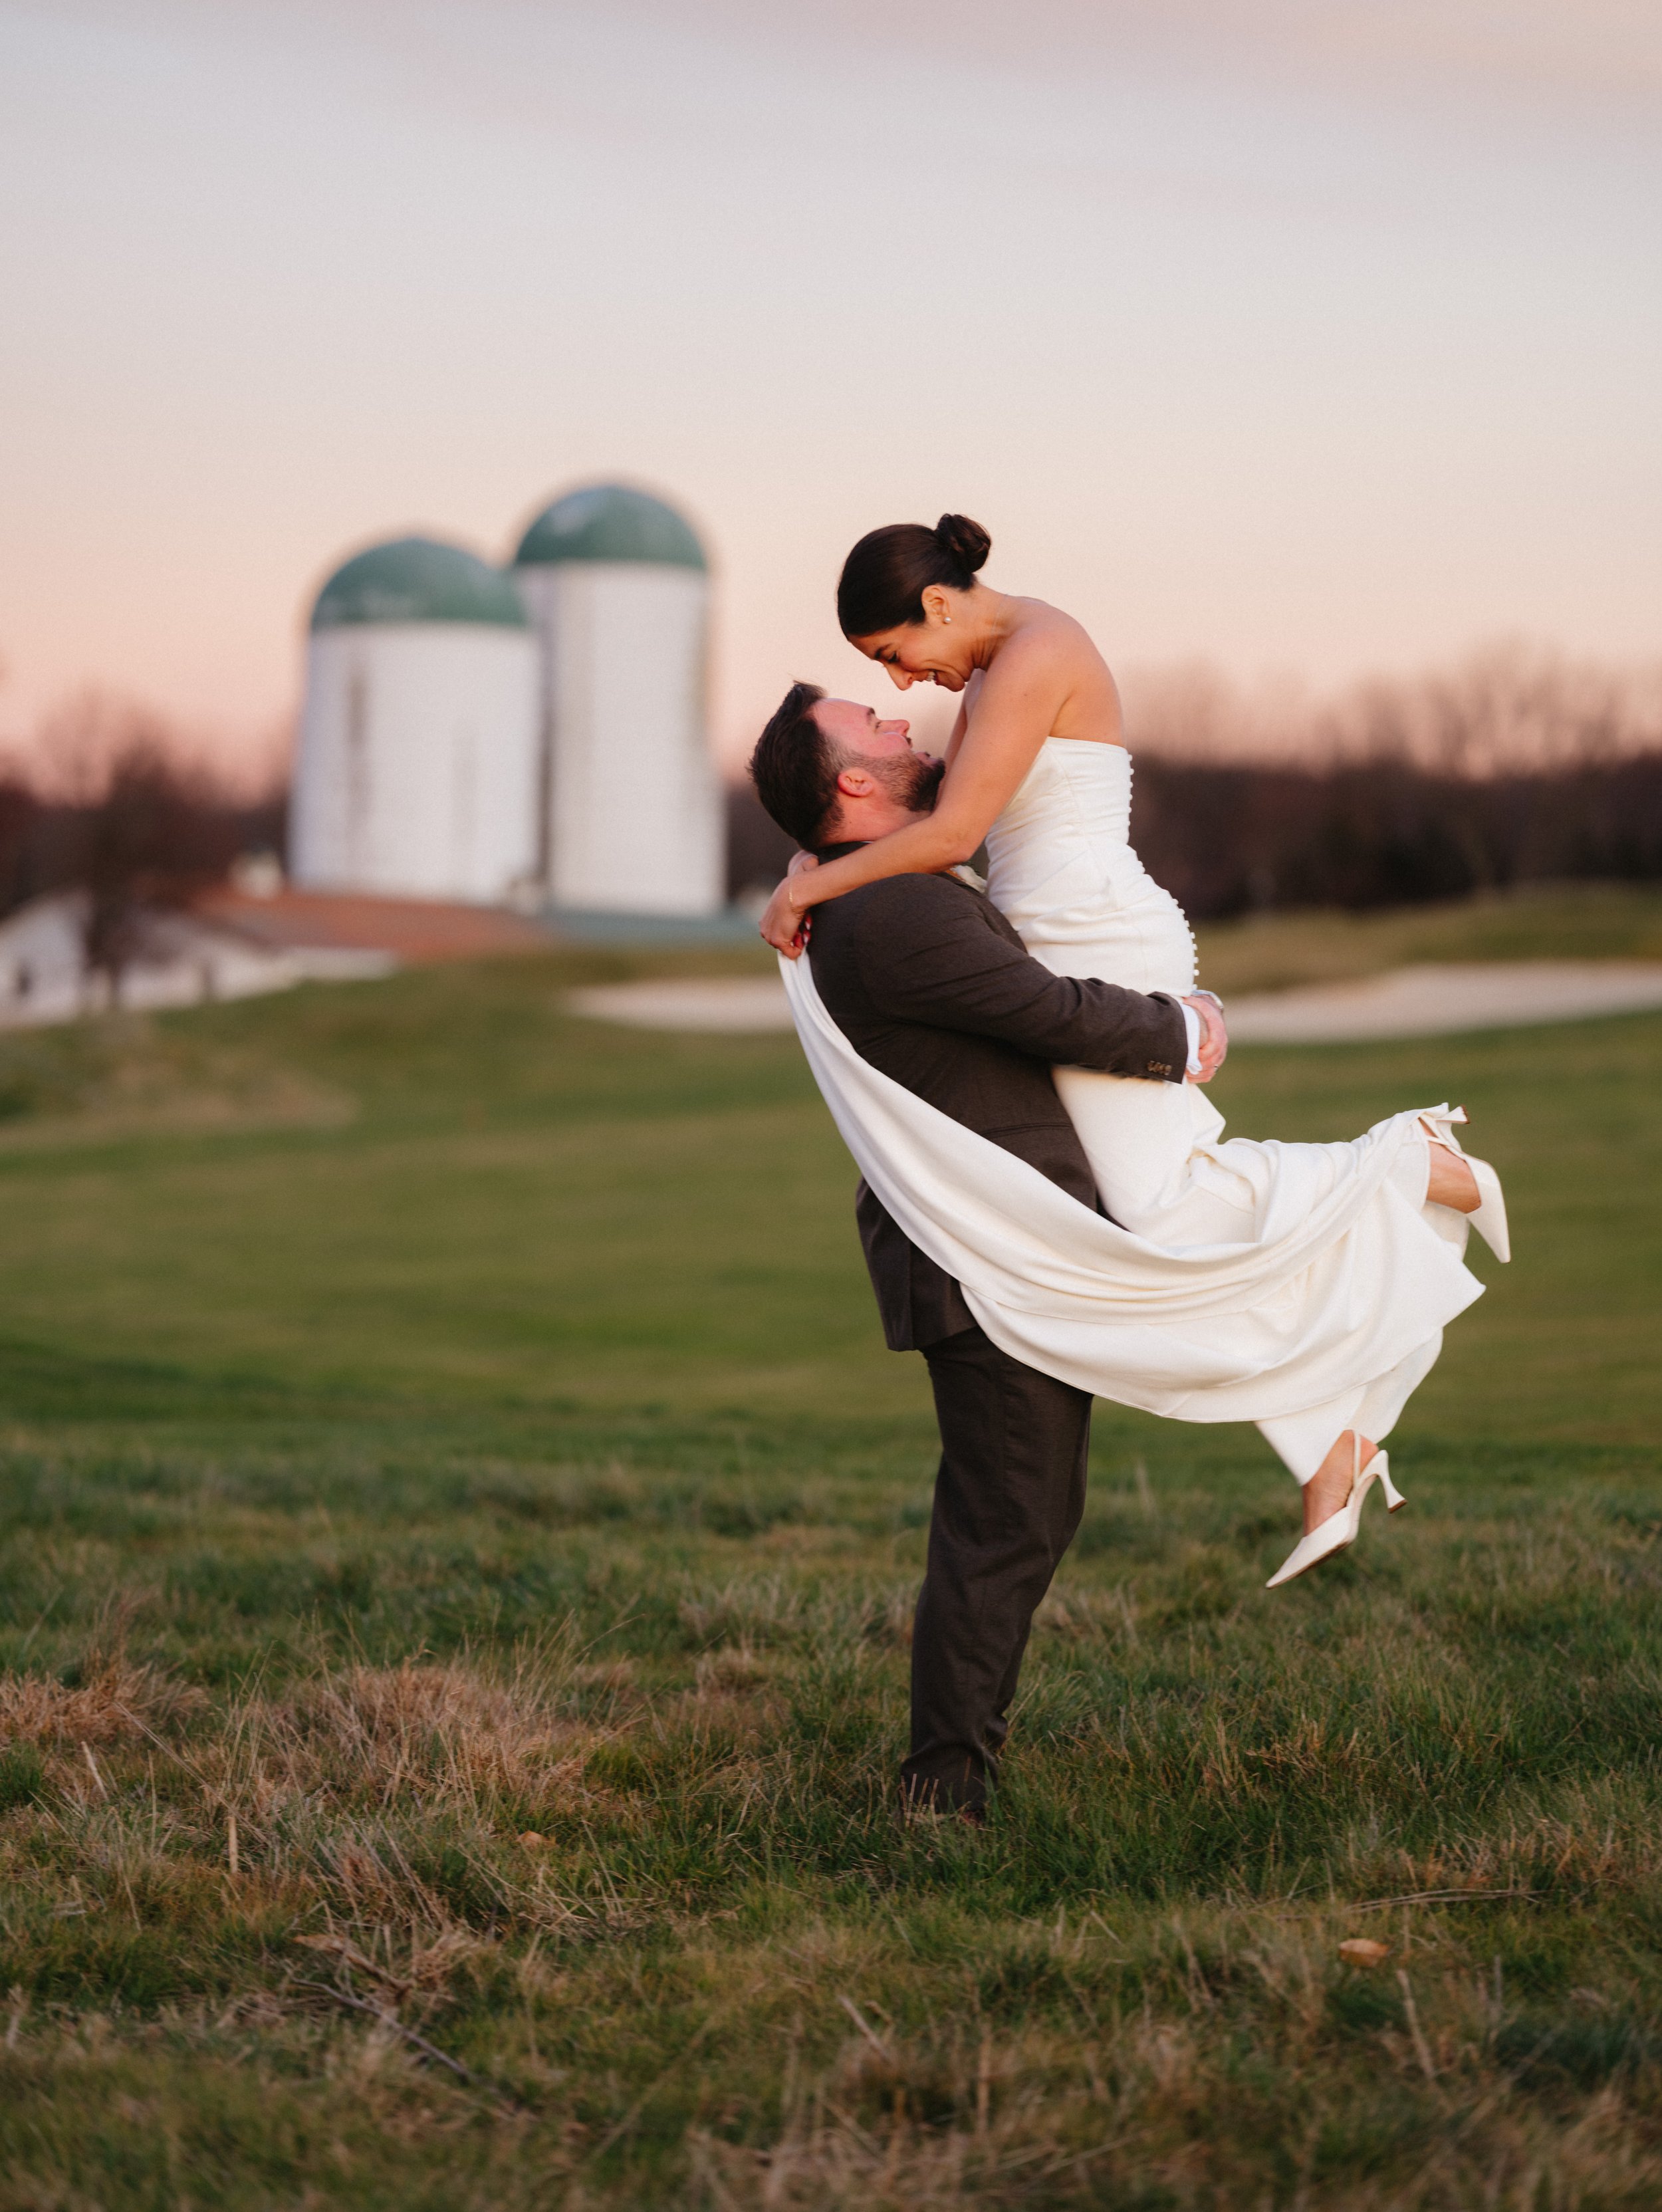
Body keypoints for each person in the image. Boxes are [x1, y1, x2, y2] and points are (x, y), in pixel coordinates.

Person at [753, 517, 1508, 1599]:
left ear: (934, 606)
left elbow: (957, 836)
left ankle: (1408, 1163)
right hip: (1054, 935)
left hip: (1091, 936)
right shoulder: (986, 680)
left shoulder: (1039, 649)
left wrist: (807, 885)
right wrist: (811, 851)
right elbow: (914, 816)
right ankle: (1334, 1448)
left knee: (1169, 1214)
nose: (904, 681)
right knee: (1159, 1220)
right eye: (882, 676)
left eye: (891, 656)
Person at [749, 686, 1209, 1817]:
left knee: (1022, 1516)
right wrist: (1181, 1031)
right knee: (1006, 1522)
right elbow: (1042, 1010)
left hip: (995, 1242)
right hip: (981, 1252)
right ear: (851, 783)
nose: (905, 725)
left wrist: (806, 875)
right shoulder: (891, 914)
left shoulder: (864, 897)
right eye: (876, 725)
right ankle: (941, 1789)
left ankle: (954, 1767)